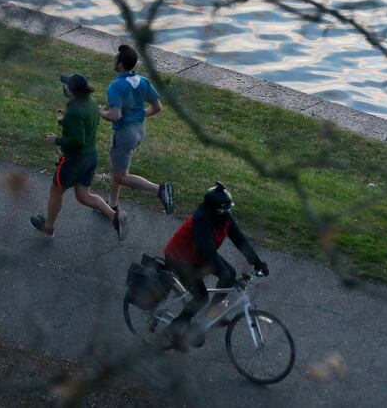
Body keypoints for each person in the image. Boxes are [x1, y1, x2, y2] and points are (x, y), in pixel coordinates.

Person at [163, 182, 268, 346]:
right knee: (201, 297)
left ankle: (210, 317)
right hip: (180, 258)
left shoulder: (224, 219)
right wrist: (224, 273)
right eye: (223, 210)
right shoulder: (201, 221)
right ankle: (173, 328)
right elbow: (209, 252)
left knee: (230, 274)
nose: (227, 213)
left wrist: (257, 262)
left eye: (228, 209)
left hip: (199, 257)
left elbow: (239, 239)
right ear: (212, 210)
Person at [30, 73, 124, 238]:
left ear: (72, 91)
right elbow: (89, 124)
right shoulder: (92, 103)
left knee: (56, 192)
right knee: (84, 195)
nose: (65, 87)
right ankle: (114, 216)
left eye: (67, 85)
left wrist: (57, 140)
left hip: (74, 161)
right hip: (90, 157)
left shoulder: (74, 110)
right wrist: (66, 122)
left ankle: (48, 227)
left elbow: (78, 141)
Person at [98, 44, 173, 214]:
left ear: (120, 64)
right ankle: (112, 204)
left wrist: (102, 112)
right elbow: (157, 107)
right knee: (120, 168)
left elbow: (115, 115)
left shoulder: (116, 86)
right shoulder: (143, 82)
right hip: (139, 130)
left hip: (124, 133)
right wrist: (140, 115)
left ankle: (160, 190)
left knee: (120, 176)